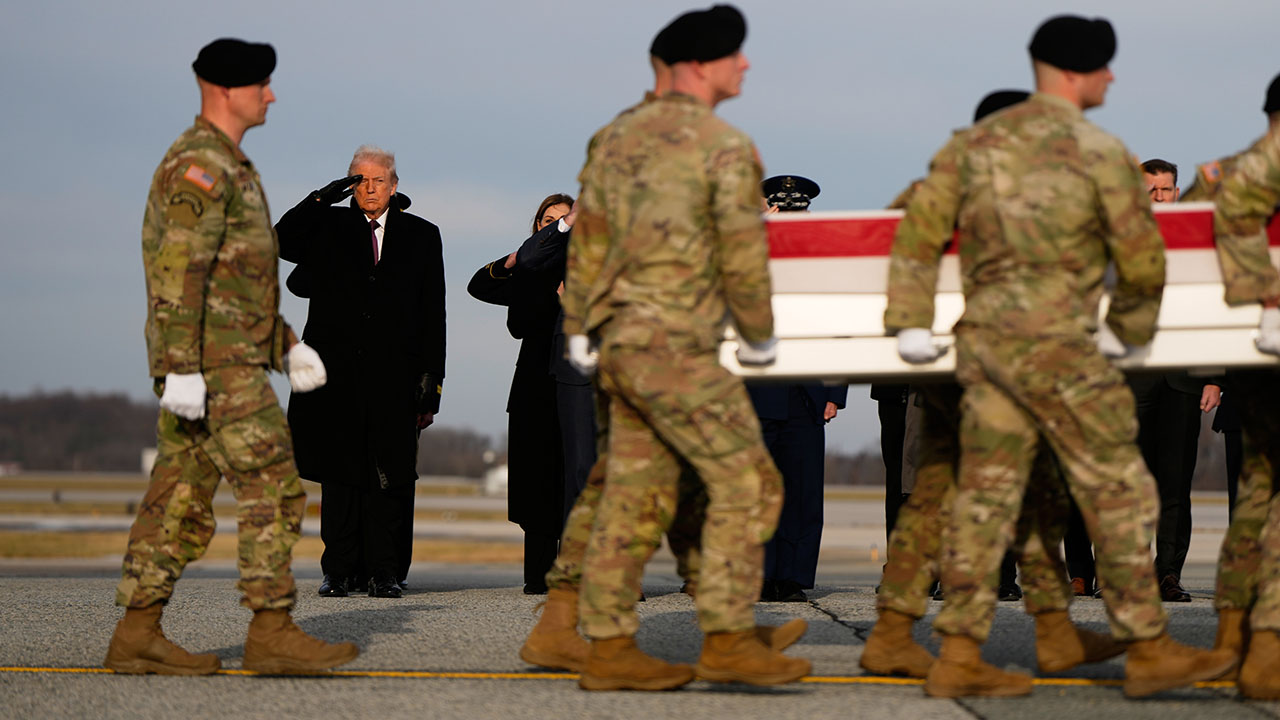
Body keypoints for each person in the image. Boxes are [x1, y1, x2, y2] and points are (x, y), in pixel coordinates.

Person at [884, 16, 1236, 698]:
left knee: (988, 498)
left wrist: (907, 324)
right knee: (1124, 491)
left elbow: (916, 231)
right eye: (1105, 67)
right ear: (1077, 72)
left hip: (985, 352)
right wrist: (1129, 335)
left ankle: (961, 651)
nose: (1110, 78)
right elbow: (1141, 258)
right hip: (1064, 356)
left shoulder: (972, 146)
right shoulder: (1097, 151)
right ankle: (1149, 648)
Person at [518, 24, 803, 677]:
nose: (747, 64)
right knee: (749, 484)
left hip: (622, 344)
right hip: (677, 346)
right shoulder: (721, 145)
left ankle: (564, 626)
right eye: (736, 54)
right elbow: (742, 250)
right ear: (699, 65)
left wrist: (584, 327)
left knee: (620, 483)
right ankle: (725, 638)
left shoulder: (616, 136)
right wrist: (761, 334)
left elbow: (587, 232)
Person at [105, 38, 358, 675]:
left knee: (180, 498)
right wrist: (182, 367)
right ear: (224, 89)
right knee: (275, 483)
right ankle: (271, 630)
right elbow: (177, 274)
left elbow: (233, 281)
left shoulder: (229, 164)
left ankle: (137, 632)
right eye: (261, 84)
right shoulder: (201, 166)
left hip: (224, 358)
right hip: (215, 368)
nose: (270, 94)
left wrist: (286, 345)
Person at [863, 88, 1113, 681]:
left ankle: (901, 630)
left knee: (939, 496)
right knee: (1013, 496)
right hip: (1003, 363)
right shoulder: (1025, 191)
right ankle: (962, 652)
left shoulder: (938, 185)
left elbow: (891, 241)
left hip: (950, 366)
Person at [276, 145, 446, 600]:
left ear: (394, 186)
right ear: (349, 184)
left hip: (395, 377)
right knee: (339, 477)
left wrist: (431, 388)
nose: (369, 189)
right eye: (359, 180)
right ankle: (338, 570)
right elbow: (279, 241)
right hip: (336, 377)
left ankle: (384, 571)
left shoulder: (422, 235)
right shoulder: (328, 227)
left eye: (378, 180)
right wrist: (320, 198)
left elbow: (434, 314)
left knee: (388, 477)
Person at [1207, 82, 1280, 700]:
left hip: (1247, 366)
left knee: (1257, 492)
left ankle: (1231, 635)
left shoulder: (1219, 174)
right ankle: (1267, 648)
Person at [467, 193, 574, 594]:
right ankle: (538, 573)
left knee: (574, 476)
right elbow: (480, 286)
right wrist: (514, 261)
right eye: (547, 219)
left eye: (563, 219)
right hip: (534, 386)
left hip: (578, 384)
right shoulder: (529, 272)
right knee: (536, 481)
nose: (553, 224)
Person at [750, 175, 848, 603]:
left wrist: (835, 392)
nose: (792, 218)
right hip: (754, 391)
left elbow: (840, 327)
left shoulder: (823, 260)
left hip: (806, 393)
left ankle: (791, 577)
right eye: (783, 211)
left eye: (799, 212)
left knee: (803, 492)